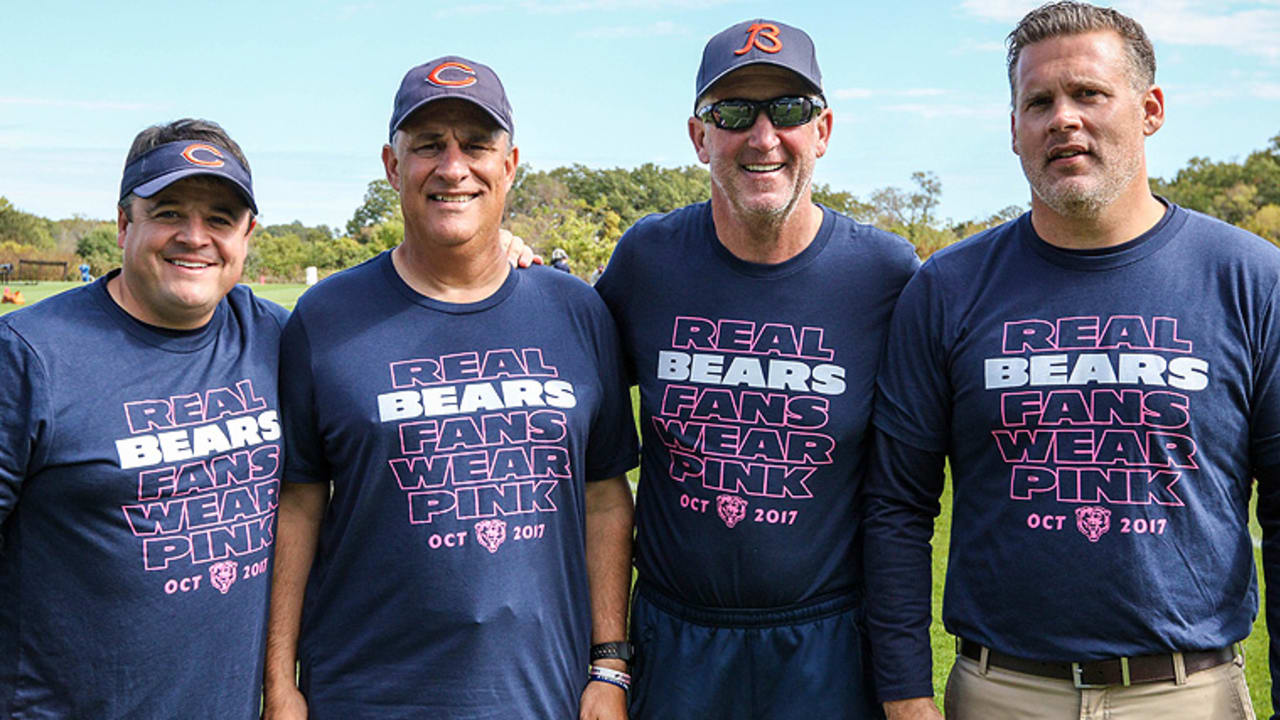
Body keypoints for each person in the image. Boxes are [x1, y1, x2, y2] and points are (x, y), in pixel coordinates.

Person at [864, 2, 1280, 719]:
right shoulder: (949, 286)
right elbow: (898, 506)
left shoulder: (1249, 278)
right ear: (1014, 130)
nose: (1063, 118)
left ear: (1149, 109)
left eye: (1088, 93)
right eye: (1039, 101)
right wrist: (904, 693)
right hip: (1001, 691)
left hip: (1188, 693)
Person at [263, 56, 638, 720]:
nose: (453, 166)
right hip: (363, 692)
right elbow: (298, 503)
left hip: (539, 695)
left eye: (477, 145)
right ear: (391, 165)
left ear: (510, 164)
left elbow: (604, 495)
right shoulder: (324, 318)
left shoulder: (576, 312)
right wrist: (279, 683)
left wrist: (609, 665)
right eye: (429, 145)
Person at [594, 19, 919, 719]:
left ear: (824, 130)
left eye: (791, 110)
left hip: (825, 644)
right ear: (699, 136)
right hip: (676, 640)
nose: (764, 136)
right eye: (734, 113)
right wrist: (501, 264)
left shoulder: (885, 274)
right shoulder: (648, 260)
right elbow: (564, 390)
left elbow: (920, 484)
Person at [0, 118, 288, 718]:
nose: (194, 236)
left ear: (247, 234)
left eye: (219, 218)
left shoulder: (275, 338)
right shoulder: (28, 355)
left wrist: (501, 257)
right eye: (168, 212)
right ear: (124, 222)